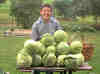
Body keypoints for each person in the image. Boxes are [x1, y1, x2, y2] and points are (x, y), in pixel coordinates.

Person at [31, 4, 63, 74]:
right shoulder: (36, 24)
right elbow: (33, 40)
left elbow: (61, 38)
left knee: (49, 69)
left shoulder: (56, 23)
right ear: (41, 12)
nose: (46, 13)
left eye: (48, 11)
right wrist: (40, 47)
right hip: (39, 51)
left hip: (52, 50)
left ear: (51, 12)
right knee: (36, 67)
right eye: (44, 11)